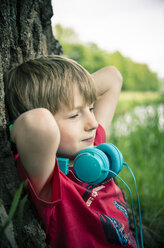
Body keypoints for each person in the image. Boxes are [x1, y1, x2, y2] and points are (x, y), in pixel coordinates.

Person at [4, 55, 137, 247]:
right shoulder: (49, 178)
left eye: (91, 108)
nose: (92, 123)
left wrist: (73, 90)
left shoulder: (92, 146)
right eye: (74, 115)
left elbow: (112, 77)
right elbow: (37, 122)